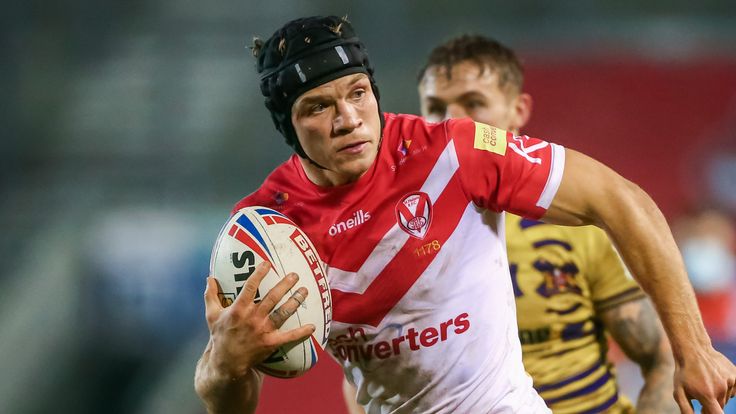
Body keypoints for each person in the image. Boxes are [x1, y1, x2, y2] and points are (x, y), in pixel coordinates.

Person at [194, 16, 736, 414]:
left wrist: (696, 350)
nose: (349, 119)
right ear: (289, 127)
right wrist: (227, 362)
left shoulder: (450, 151)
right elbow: (229, 402)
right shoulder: (264, 229)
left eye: (358, 94)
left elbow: (622, 199)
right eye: (318, 107)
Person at [411, 34, 679, 413]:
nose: (453, 122)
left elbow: (659, 361)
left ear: (519, 111)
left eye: (473, 103)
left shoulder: (580, 222)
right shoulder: (402, 234)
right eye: (435, 108)